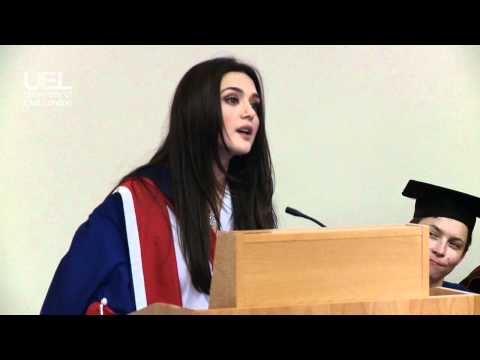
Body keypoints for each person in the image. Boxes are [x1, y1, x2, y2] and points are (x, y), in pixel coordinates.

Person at [41, 57, 277, 315]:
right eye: (233, 99)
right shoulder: (137, 202)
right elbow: (67, 296)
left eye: (255, 105)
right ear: (197, 109)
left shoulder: (247, 203)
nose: (250, 113)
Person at [402, 179, 480, 292]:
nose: (440, 250)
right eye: (432, 234)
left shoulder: (471, 304)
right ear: (409, 233)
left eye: (454, 244)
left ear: (462, 256)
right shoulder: (370, 290)